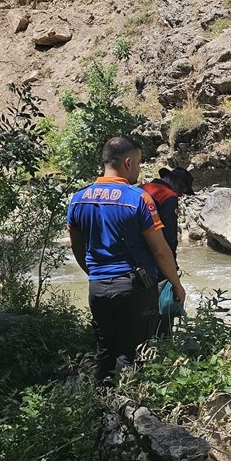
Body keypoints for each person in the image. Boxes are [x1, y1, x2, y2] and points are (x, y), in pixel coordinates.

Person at [67, 136, 186, 384]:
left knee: (105, 349)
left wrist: (94, 272)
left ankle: (99, 403)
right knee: (131, 352)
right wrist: (175, 284)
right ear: (129, 163)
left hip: (98, 286)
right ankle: (127, 408)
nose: (140, 169)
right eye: (140, 163)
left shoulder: (78, 198)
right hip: (133, 287)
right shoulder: (137, 198)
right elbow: (160, 250)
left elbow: (78, 248)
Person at [142, 166, 195, 336]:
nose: (180, 194)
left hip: (134, 258)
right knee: (164, 304)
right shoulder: (168, 197)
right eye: (181, 189)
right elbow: (169, 237)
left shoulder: (139, 189)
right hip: (155, 258)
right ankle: (161, 342)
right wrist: (172, 267)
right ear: (172, 181)